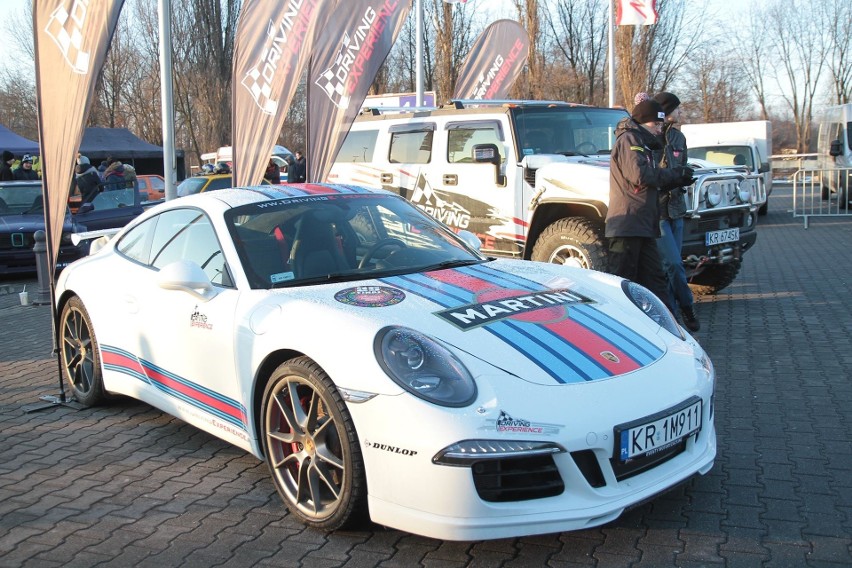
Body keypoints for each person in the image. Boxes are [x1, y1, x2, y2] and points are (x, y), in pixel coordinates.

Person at [606, 98, 693, 313]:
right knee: (624, 283)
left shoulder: (643, 143)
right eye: (657, 124)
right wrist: (674, 176)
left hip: (644, 224)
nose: (659, 129)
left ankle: (666, 327)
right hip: (628, 225)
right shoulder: (630, 140)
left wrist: (678, 177)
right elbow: (639, 175)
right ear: (645, 122)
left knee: (655, 282)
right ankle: (623, 328)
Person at [653, 91, 699, 332]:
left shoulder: (679, 138)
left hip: (677, 210)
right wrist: (672, 178)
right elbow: (651, 175)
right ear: (666, 111)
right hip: (658, 211)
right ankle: (687, 306)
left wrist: (685, 177)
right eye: (677, 109)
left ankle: (671, 317)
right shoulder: (652, 137)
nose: (681, 113)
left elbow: (681, 166)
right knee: (672, 265)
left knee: (673, 267)